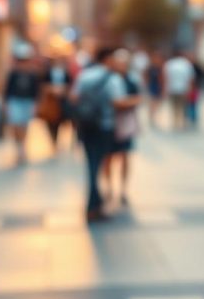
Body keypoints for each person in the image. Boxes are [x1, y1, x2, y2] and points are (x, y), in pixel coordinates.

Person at [71, 47, 139, 222]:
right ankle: (93, 205)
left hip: (85, 125)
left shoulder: (85, 75)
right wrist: (135, 101)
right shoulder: (113, 79)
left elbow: (73, 98)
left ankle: (94, 203)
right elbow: (118, 103)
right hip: (104, 126)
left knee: (92, 164)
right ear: (108, 60)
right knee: (98, 164)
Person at [101, 49, 141, 206]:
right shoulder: (108, 79)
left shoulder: (131, 80)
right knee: (108, 157)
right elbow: (114, 102)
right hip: (110, 122)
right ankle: (109, 187)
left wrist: (126, 102)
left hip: (125, 122)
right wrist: (125, 102)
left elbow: (137, 99)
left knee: (125, 156)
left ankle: (123, 189)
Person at [3, 43, 42, 165]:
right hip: (15, 101)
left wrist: (36, 104)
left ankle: (22, 148)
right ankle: (19, 147)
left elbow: (36, 91)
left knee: (24, 126)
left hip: (27, 102)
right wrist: (5, 103)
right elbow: (7, 89)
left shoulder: (32, 74)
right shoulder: (13, 73)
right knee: (15, 125)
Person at [40, 55, 73, 152]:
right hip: (50, 101)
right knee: (50, 122)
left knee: (61, 121)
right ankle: (53, 140)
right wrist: (51, 89)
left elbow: (70, 85)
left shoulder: (66, 73)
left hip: (62, 101)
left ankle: (58, 140)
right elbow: (43, 85)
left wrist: (63, 90)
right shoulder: (47, 73)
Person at [162, 52, 195, 131]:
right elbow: (190, 78)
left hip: (172, 88)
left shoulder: (169, 64)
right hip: (183, 89)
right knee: (184, 106)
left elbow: (166, 78)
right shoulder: (186, 64)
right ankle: (183, 122)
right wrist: (190, 89)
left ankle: (175, 122)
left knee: (174, 106)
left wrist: (165, 89)